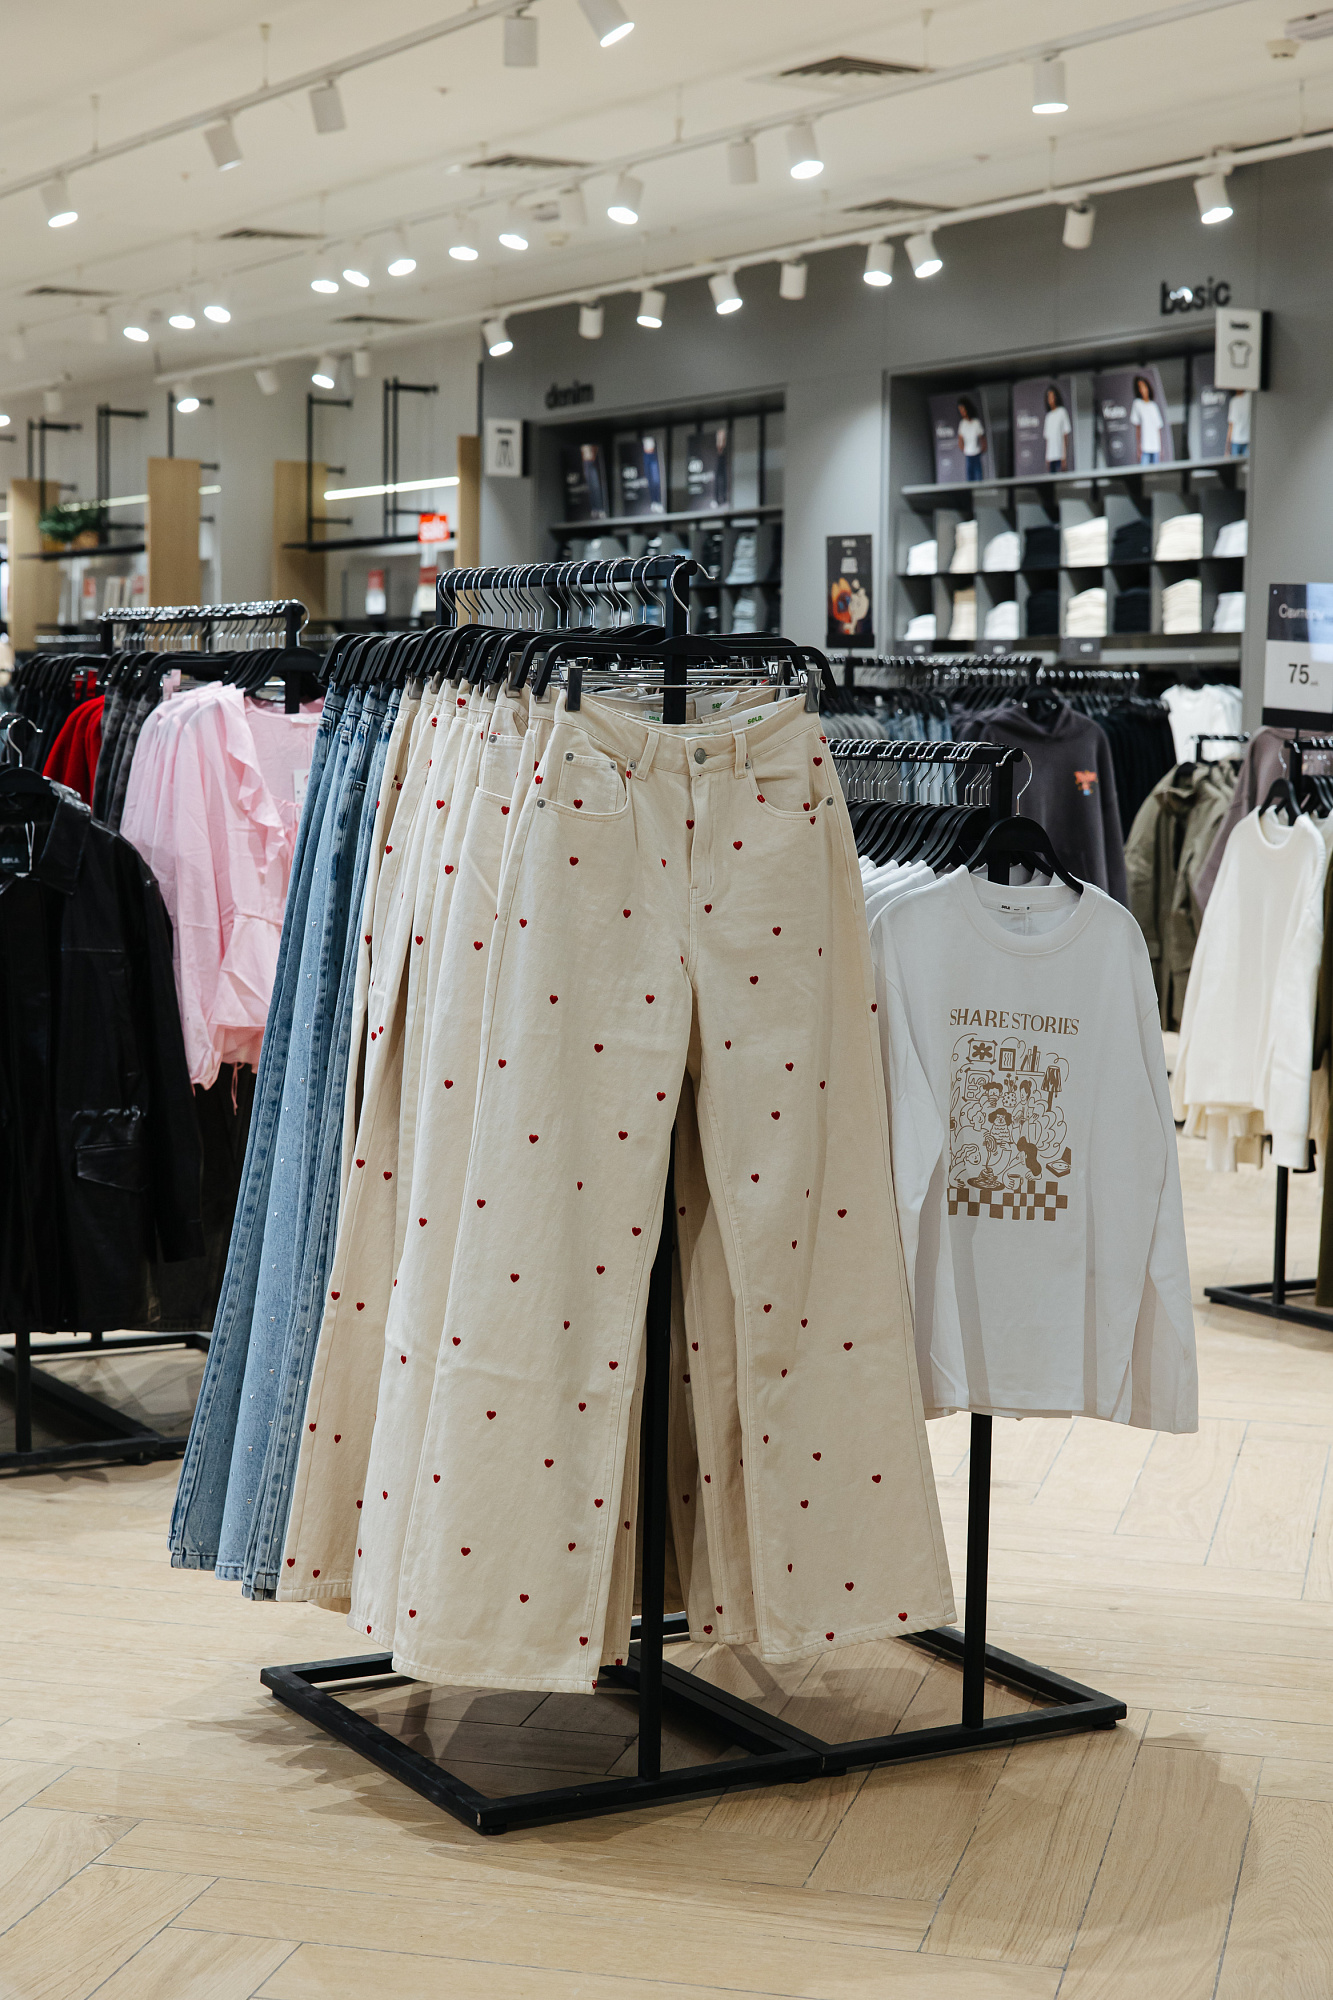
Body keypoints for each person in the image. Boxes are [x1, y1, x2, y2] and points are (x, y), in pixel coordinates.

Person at [1130, 376, 1166, 464]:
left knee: (1156, 471)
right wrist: (1138, 446)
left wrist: (1161, 447)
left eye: (1144, 386)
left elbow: (1158, 428)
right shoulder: (1137, 404)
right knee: (1144, 470)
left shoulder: (1153, 406)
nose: (1142, 390)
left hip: (1155, 446)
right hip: (1144, 446)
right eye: (1140, 387)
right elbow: (1137, 427)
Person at [957, 397, 986, 482]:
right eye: (960, 410)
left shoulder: (976, 422)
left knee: (979, 474)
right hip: (968, 453)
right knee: (970, 476)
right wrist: (963, 448)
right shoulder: (962, 423)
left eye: (963, 409)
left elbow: (982, 437)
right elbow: (960, 438)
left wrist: (983, 447)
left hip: (976, 452)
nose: (962, 412)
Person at [1043, 385, 1072, 473]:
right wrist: (1047, 458)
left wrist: (1064, 456)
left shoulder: (1062, 412)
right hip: (1051, 457)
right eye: (1049, 398)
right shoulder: (1048, 416)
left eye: (1052, 397)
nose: (1050, 400)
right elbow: (1047, 439)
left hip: (1060, 455)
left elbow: (1065, 435)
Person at [1225, 390, 1250, 457]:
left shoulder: (1235, 401)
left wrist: (1227, 448)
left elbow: (1231, 425)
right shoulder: (1249, 398)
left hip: (1240, 439)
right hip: (1242, 439)